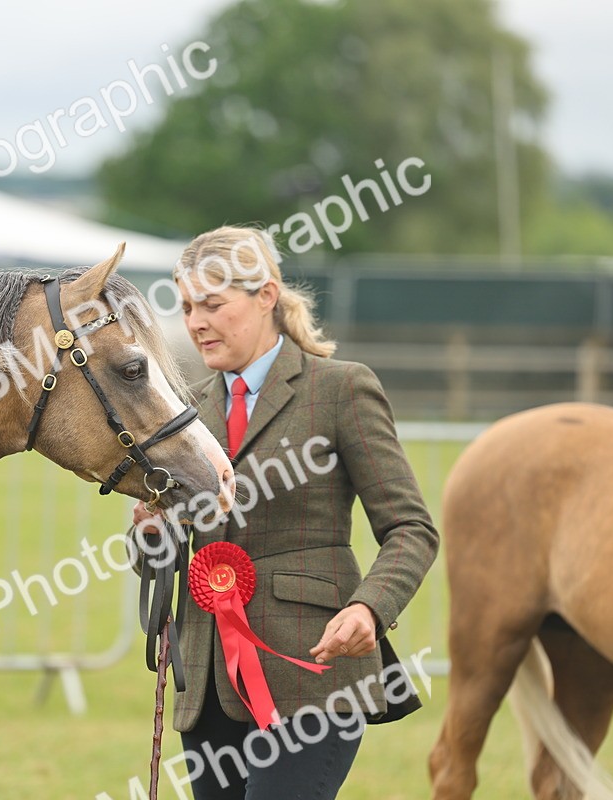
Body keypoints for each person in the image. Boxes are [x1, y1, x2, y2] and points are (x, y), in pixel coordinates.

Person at [130, 226, 439, 799]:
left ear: (266, 296)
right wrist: (151, 533)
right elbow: (164, 553)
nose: (196, 322)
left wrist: (370, 607)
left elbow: (410, 528)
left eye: (213, 304)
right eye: (188, 306)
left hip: (311, 670)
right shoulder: (184, 411)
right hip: (207, 680)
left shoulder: (342, 389)